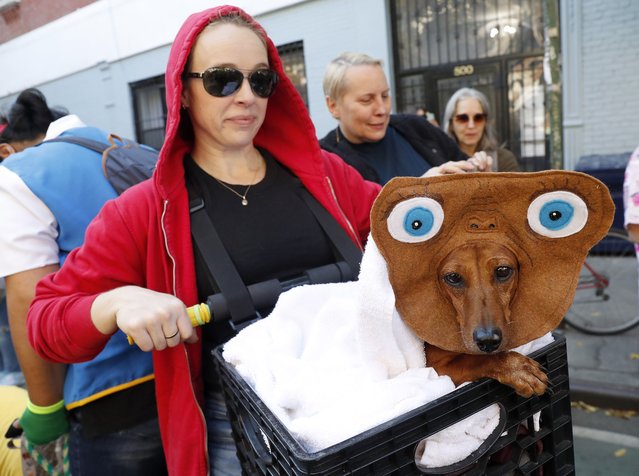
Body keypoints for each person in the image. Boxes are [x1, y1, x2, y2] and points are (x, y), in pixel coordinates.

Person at [26, 6, 381, 475]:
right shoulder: (144, 211)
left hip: (365, 401)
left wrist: (442, 199)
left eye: (261, 80)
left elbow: (399, 230)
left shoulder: (325, 175)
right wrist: (114, 303)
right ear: (184, 92)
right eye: (222, 80)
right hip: (241, 436)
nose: (247, 96)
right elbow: (45, 322)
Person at [0, 89, 165, 475]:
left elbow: (26, 298)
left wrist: (43, 408)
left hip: (109, 397)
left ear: (8, 150)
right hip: (186, 366)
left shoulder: (18, 174)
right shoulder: (131, 148)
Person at [319, 52, 491, 185]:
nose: (382, 109)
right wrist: (418, 190)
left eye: (385, 96)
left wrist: (477, 172)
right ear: (333, 106)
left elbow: (461, 165)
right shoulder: (324, 160)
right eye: (367, 100)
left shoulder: (416, 127)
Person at [442, 87, 521, 172]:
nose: (471, 125)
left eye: (478, 118)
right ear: (451, 124)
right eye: (462, 118)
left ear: (485, 122)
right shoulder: (439, 160)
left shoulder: (503, 159)